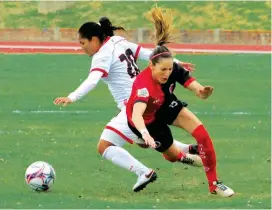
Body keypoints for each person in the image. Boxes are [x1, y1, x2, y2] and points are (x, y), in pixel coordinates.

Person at [54, 16, 200, 192]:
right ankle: (188, 148)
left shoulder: (101, 56)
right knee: (143, 141)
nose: (81, 47)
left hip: (133, 106)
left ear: (94, 40)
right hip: (149, 97)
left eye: (83, 42)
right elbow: (150, 55)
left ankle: (144, 172)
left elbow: (93, 80)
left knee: (105, 145)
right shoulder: (118, 41)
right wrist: (174, 63)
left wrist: (72, 97)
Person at [126, 6, 234, 197]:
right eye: (163, 70)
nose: (167, 74)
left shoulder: (173, 68)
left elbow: (197, 90)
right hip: (148, 121)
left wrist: (203, 92)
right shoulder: (144, 85)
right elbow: (136, 115)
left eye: (170, 69)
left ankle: (214, 184)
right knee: (172, 155)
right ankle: (186, 156)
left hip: (167, 105)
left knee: (203, 135)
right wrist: (145, 134)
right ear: (151, 66)